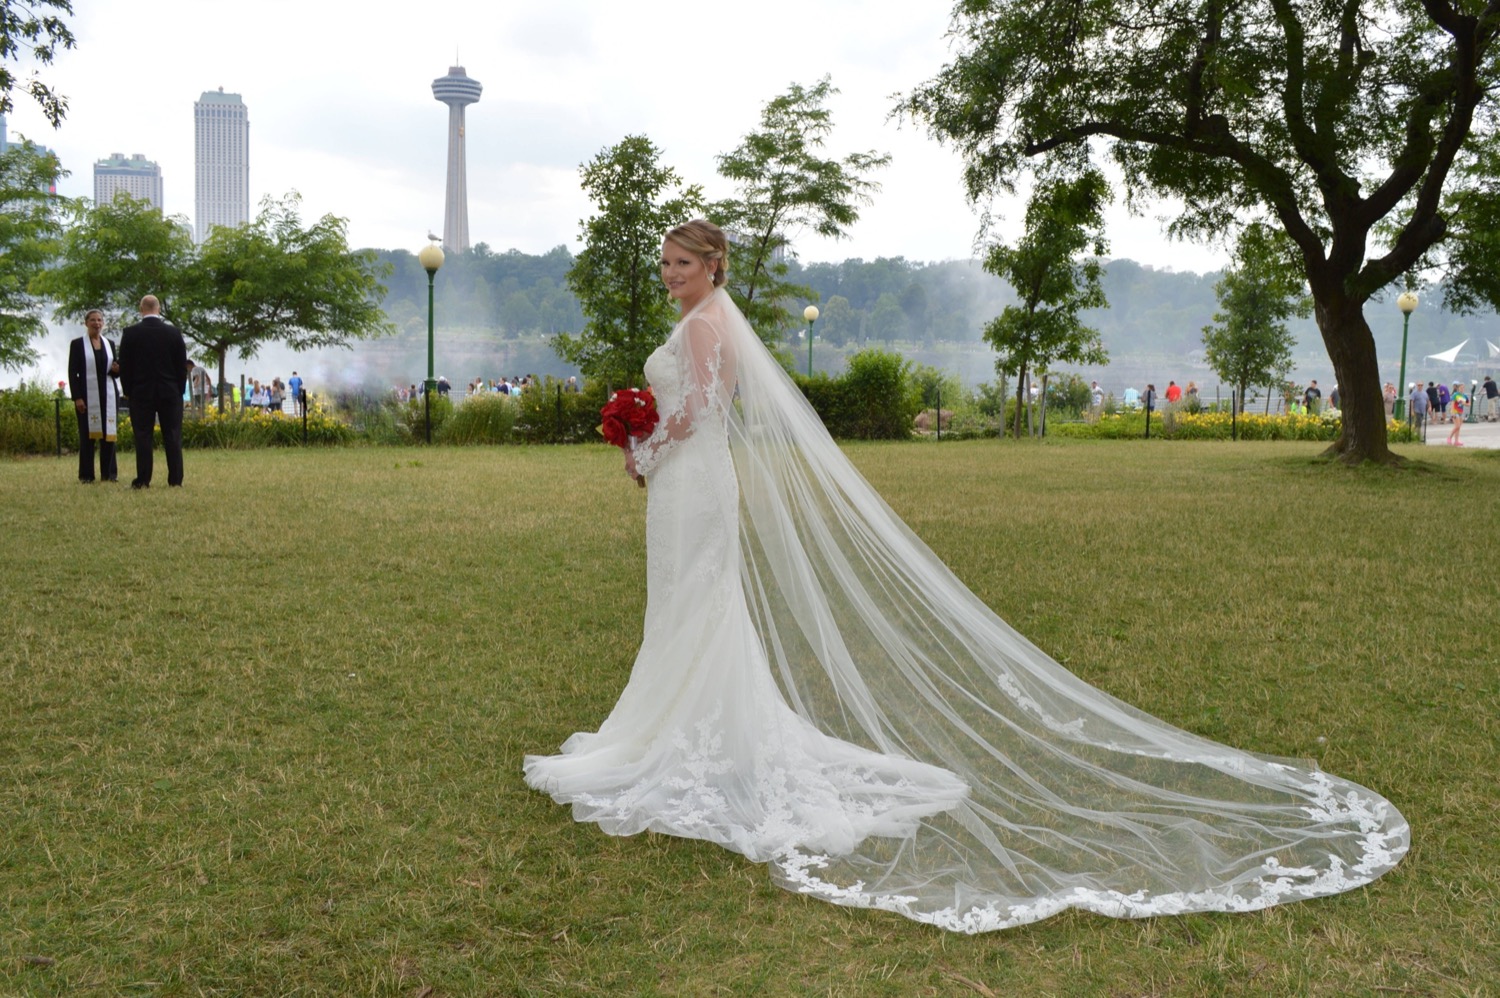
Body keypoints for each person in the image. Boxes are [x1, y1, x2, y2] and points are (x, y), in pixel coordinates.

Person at [523, 220, 1406, 934]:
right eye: (667, 265)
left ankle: (694, 736)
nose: (670, 275)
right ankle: (686, 726)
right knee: (689, 603)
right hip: (690, 483)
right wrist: (646, 443)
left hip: (695, 480)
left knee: (703, 601)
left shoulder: (707, 324)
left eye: (682, 264)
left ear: (713, 266)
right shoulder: (706, 319)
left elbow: (698, 411)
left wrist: (643, 446)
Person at [117, 295, 189, 488]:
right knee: (173, 435)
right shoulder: (174, 333)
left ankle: (143, 479)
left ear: (141, 309)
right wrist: (179, 390)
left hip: (141, 392)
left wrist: (129, 391)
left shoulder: (130, 333)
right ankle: (175, 480)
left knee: (143, 436)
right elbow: (181, 366)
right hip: (170, 392)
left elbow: (125, 366)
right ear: (159, 309)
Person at [67, 309, 121, 483]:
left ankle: (109, 474)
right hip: (86, 396)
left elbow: (114, 372)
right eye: (93, 320)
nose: (96, 323)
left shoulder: (109, 344)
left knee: (109, 435)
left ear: (103, 323)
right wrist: (77, 397)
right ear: (86, 323)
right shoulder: (77, 344)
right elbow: (72, 373)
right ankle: (86, 475)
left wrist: (117, 370)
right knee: (87, 436)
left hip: (109, 395)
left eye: (99, 320)